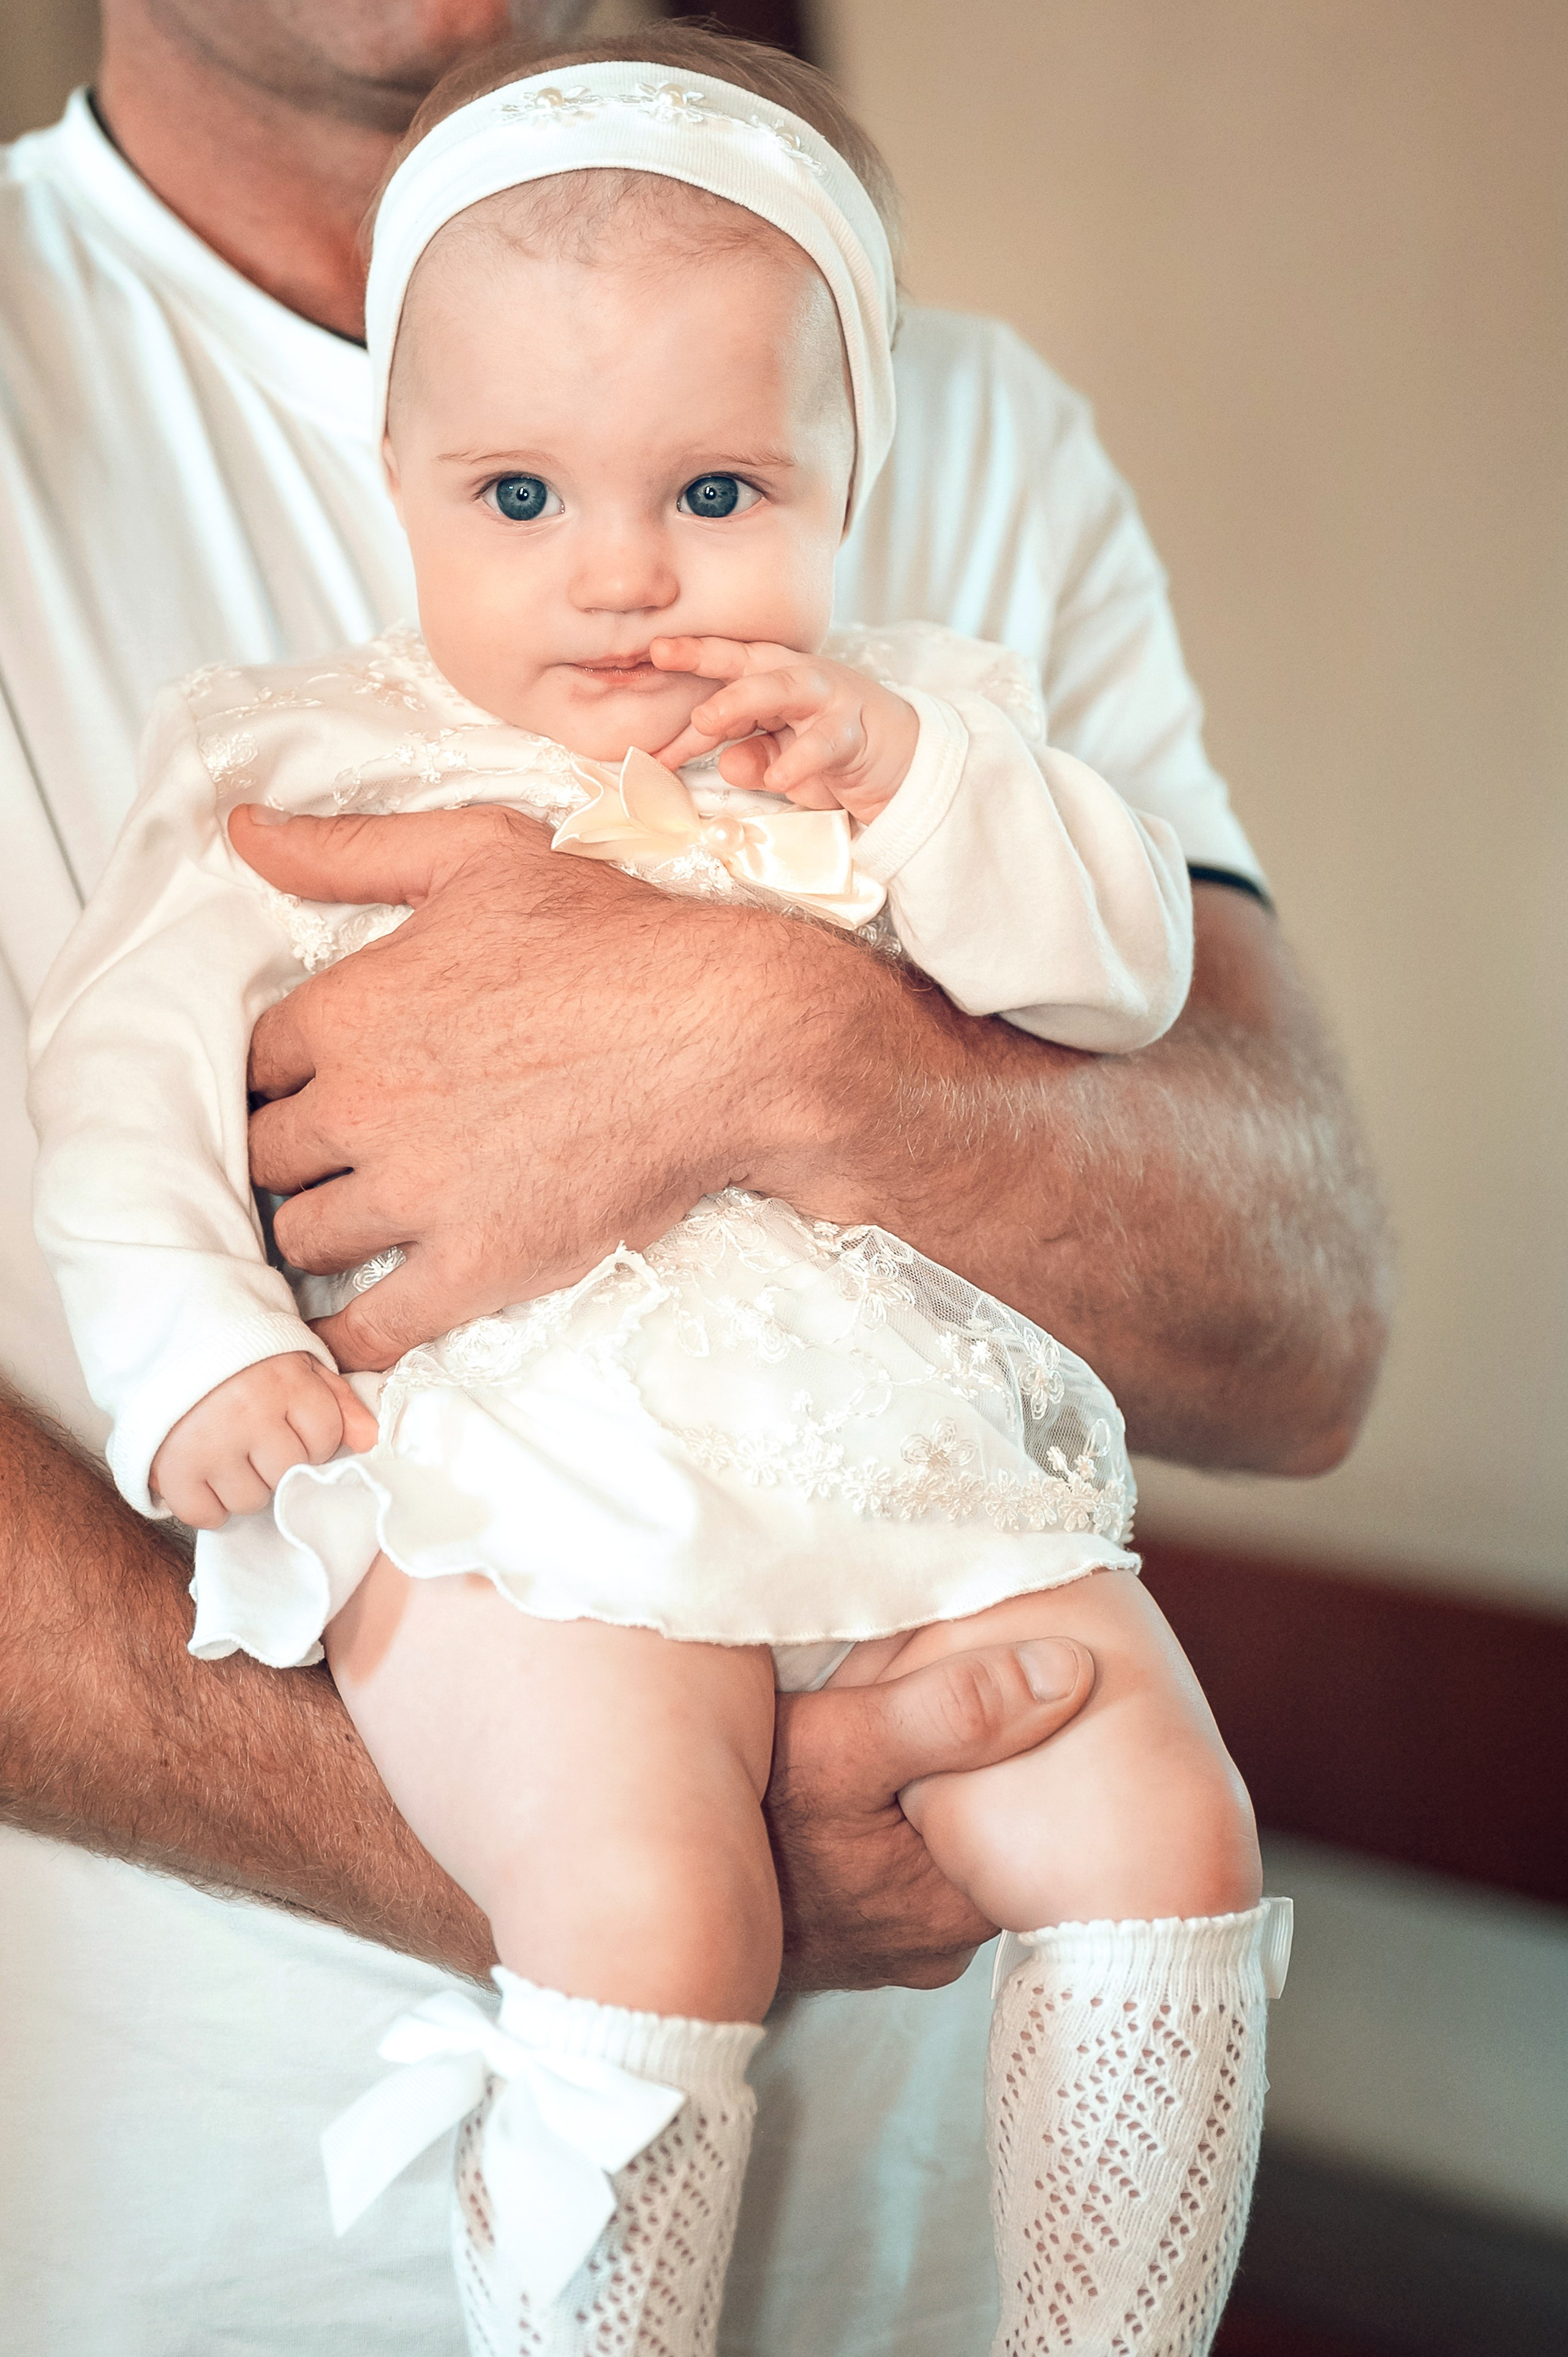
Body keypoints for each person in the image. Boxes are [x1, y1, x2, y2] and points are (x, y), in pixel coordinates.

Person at [0, 2, 1388, 2351]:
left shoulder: (888, 692)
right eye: (522, 501)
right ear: (403, 467)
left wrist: (881, 857)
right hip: (494, 1531)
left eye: (720, 497)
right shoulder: (306, 764)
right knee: (645, 1907)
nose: (626, 579)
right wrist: (200, 1359)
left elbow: (1175, 1042)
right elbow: (129, 1093)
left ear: (831, 477)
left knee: (1166, 1836)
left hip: (880, 1470)